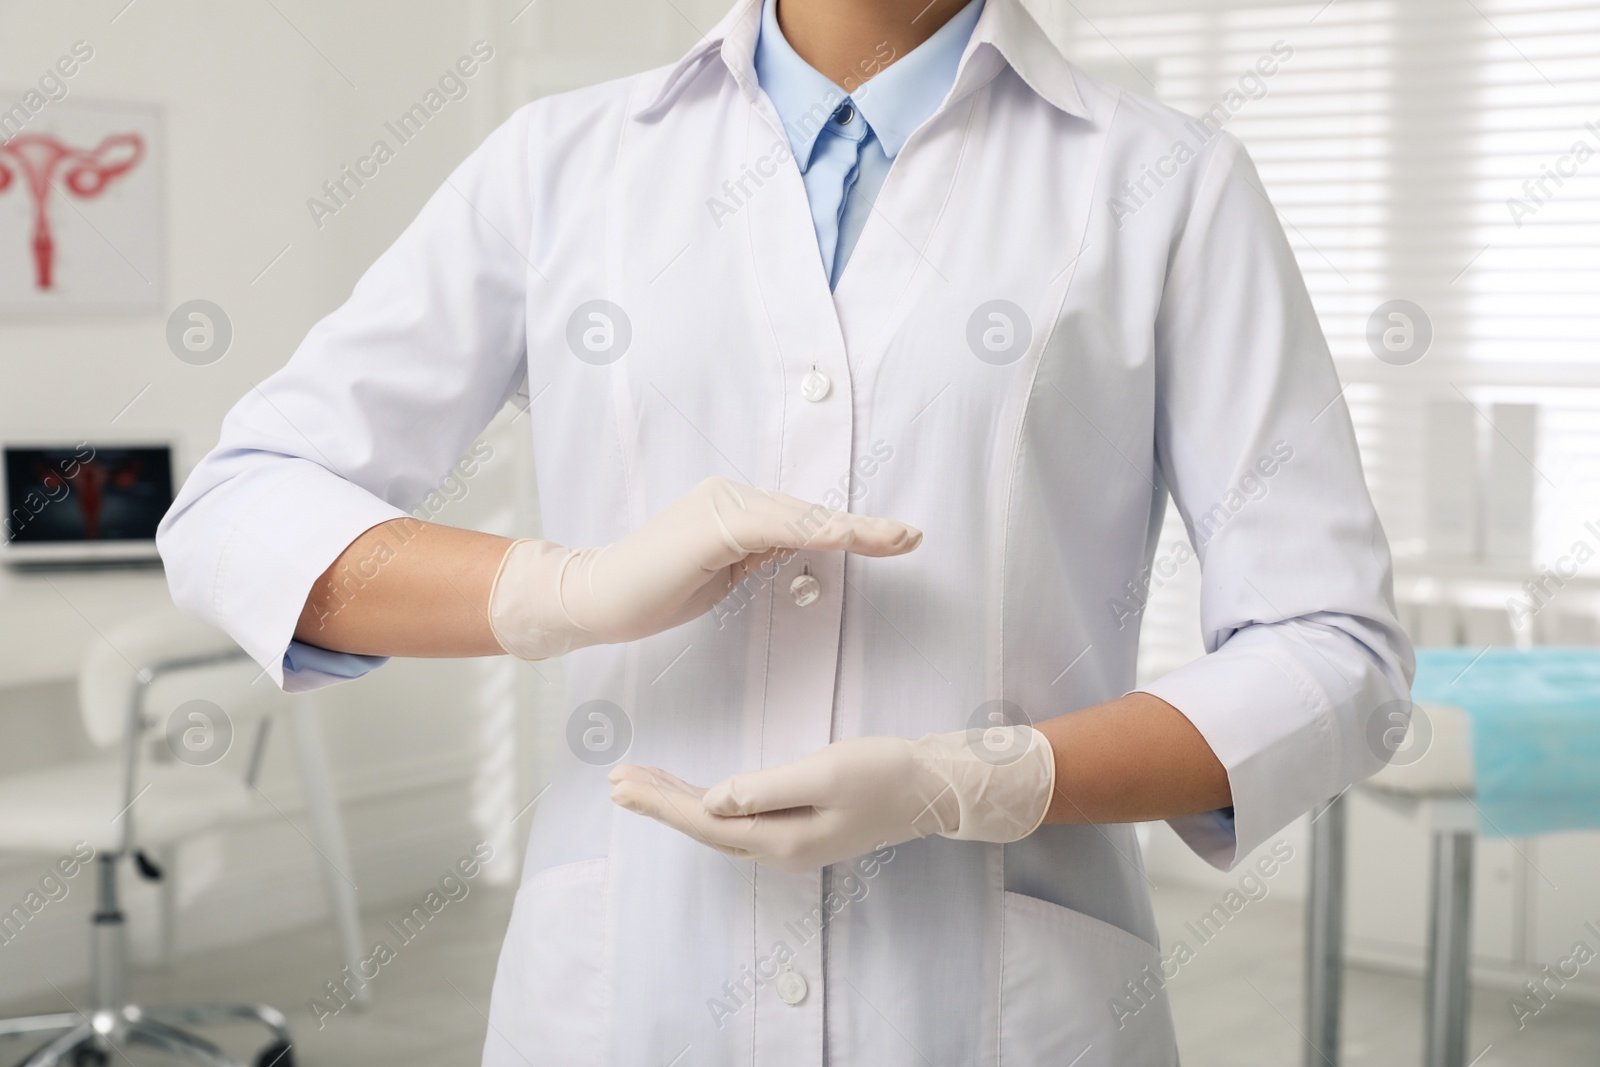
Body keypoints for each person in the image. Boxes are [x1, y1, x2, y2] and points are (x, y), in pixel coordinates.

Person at [158, 0, 1414, 1062]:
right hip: (622, 993)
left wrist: (978, 779)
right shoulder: (559, 164)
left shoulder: (1167, 184)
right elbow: (244, 506)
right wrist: (571, 589)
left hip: (993, 1004)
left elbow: (1332, 650)